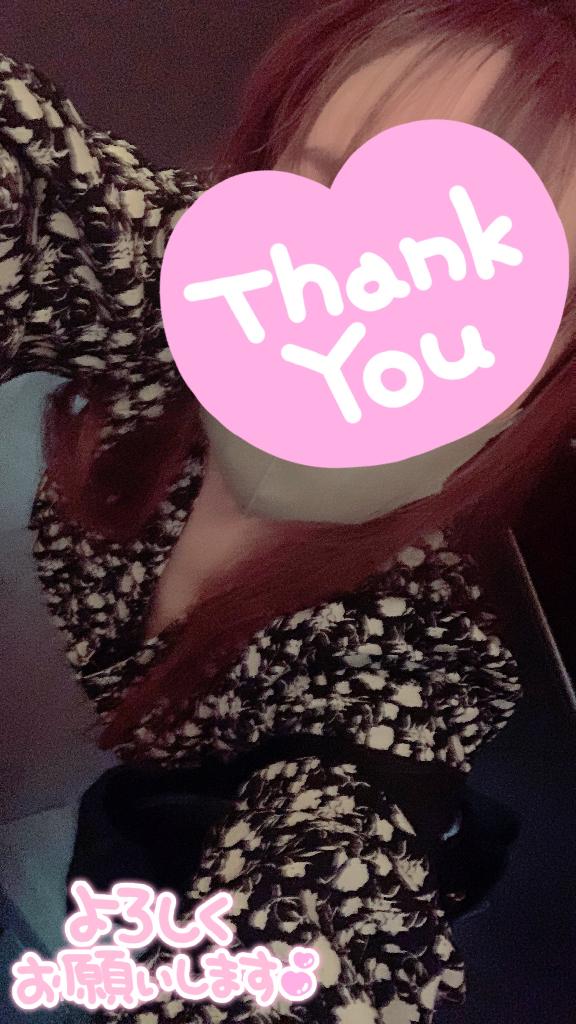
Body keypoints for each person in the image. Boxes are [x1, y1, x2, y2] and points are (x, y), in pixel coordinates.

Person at [1, 1, 575, 1020]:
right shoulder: (188, 292)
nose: (356, 307)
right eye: (319, 183)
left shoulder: (406, 675)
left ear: (549, 353)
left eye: (460, 278)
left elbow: (324, 932)